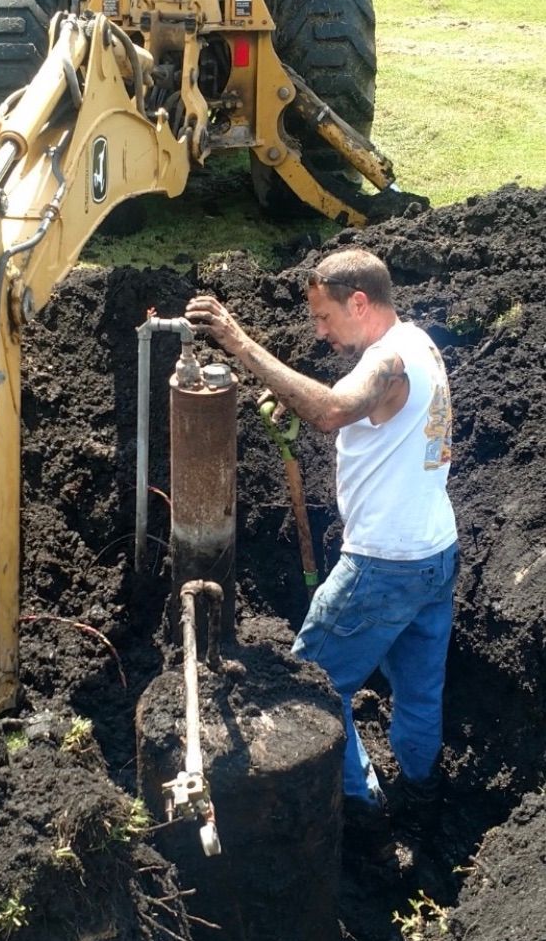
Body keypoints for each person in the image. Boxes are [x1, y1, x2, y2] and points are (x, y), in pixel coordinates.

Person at [186, 249, 459, 829]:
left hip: (384, 566)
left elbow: (334, 410)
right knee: (417, 692)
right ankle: (423, 796)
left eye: (324, 318)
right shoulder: (419, 344)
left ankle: (361, 811)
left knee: (311, 685)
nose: (320, 332)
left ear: (359, 302)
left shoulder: (389, 361)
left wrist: (238, 342)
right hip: (435, 554)